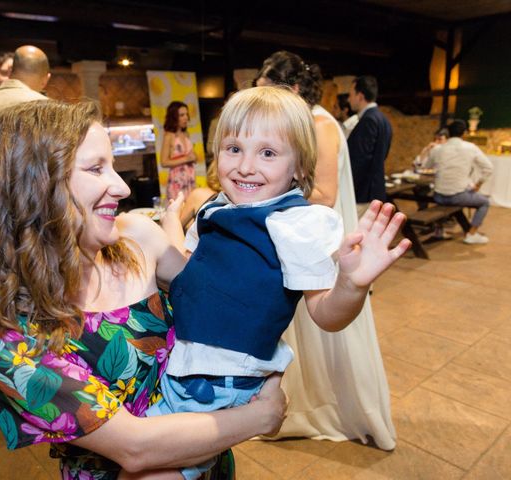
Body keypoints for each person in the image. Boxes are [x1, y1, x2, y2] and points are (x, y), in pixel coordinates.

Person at [0, 99, 288, 479]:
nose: (122, 186)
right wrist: (261, 414)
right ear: (35, 186)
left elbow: (224, 311)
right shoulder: (0, 336)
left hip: (209, 463)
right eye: (97, 168)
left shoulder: (137, 238)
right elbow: (134, 447)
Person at [151, 86, 409, 479]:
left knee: (153, 468)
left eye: (268, 153)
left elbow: (325, 314)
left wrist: (351, 285)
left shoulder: (296, 223)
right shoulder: (214, 209)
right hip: (183, 363)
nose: (245, 166)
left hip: (222, 377)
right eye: (233, 148)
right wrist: (169, 229)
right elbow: (189, 276)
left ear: (299, 168)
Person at [254, 52, 397, 450]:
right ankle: (299, 405)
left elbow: (326, 195)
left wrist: (266, 193)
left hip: (325, 246)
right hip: (303, 242)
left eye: (268, 93)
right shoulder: (302, 123)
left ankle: (330, 407)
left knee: (327, 331)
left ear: (293, 90)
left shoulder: (318, 125)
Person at [422, 119, 493, 245]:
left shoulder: (438, 149)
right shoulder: (470, 148)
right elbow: (488, 168)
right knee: (485, 202)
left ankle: (439, 230)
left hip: (438, 196)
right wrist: (478, 184)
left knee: (454, 195)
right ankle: (472, 234)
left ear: (448, 133)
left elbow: (426, 166)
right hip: (457, 196)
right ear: (464, 133)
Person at [347, 75, 393, 209]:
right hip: (374, 189)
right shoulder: (383, 119)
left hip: (363, 193)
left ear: (360, 96)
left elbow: (360, 160)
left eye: (351, 95)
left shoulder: (368, 120)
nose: (349, 99)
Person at [160, 101, 197, 202]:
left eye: (186, 114)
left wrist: (194, 157)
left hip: (190, 179)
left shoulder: (186, 134)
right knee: (177, 212)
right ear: (174, 117)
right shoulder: (169, 136)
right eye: (182, 115)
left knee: (190, 210)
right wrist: (186, 159)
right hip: (177, 181)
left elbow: (190, 155)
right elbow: (164, 162)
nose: (186, 117)